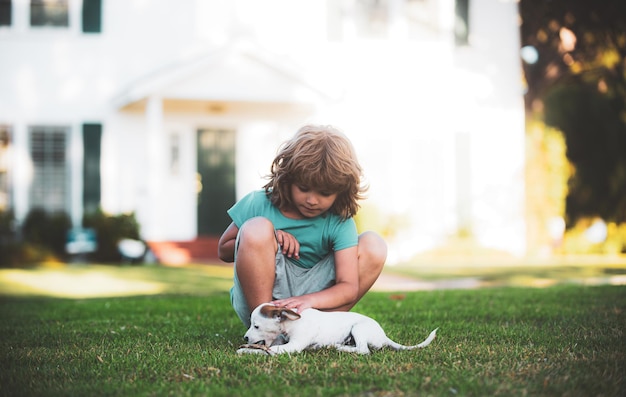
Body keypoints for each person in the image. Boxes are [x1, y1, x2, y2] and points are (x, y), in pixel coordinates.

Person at [218, 124, 387, 327]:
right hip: (260, 300)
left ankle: (317, 329)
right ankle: (266, 328)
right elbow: (224, 251)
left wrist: (309, 301)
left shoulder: (339, 221)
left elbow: (348, 287)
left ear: (341, 191)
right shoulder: (258, 203)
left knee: (374, 245)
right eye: (304, 188)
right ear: (288, 178)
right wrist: (271, 236)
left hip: (313, 305)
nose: (312, 200)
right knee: (257, 228)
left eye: (325, 193)